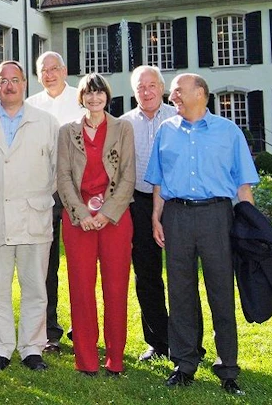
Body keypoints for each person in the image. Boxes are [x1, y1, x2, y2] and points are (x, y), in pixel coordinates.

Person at [145, 73, 259, 396]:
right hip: (176, 216)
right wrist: (156, 216)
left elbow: (243, 185)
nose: (173, 96)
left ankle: (228, 367)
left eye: (179, 91)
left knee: (221, 291)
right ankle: (184, 364)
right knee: (180, 293)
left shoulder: (228, 132)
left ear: (201, 93)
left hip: (216, 217)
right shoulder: (165, 132)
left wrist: (251, 228)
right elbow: (158, 181)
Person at [0, 61, 59, 372]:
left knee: (35, 287)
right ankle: (1, 349)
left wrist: (37, 195)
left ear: (24, 84)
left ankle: (33, 348)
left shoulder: (46, 122)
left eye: (15, 80)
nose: (9, 85)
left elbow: (57, 171)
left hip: (34, 216)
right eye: (3, 80)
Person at [55, 73, 135, 375]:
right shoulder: (67, 132)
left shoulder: (122, 128)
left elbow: (128, 175)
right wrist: (82, 214)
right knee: (81, 287)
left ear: (107, 96)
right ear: (81, 98)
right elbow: (63, 177)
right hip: (78, 221)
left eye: (99, 93)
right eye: (88, 93)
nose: (94, 98)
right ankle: (86, 358)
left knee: (116, 287)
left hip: (114, 219)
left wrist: (106, 213)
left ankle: (115, 357)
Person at [25, 51, 85, 353]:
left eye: (54, 68)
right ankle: (49, 330)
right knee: (45, 265)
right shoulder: (30, 105)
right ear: (38, 76)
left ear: (65, 70)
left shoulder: (81, 99)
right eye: (43, 70)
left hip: (76, 191)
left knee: (80, 262)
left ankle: (82, 328)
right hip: (43, 192)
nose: (49, 74)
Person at [119, 66, 178, 361]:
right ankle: (157, 342)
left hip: (177, 202)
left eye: (152, 85)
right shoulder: (124, 124)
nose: (146, 91)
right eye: (140, 87)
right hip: (140, 203)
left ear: (162, 88)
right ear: (134, 92)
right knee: (147, 274)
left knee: (183, 276)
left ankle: (187, 342)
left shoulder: (178, 119)